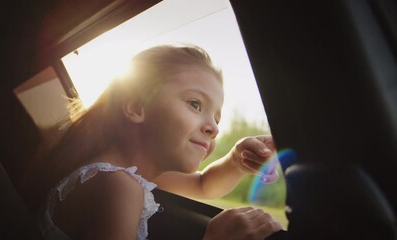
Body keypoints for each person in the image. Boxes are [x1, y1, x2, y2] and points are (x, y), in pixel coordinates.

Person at [20, 44, 282, 240]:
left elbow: (203, 186)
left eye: (217, 117)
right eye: (195, 104)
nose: (213, 127)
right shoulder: (116, 186)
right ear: (137, 107)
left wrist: (237, 160)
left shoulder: (126, 175)